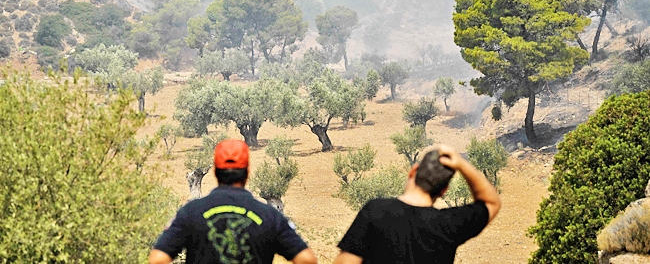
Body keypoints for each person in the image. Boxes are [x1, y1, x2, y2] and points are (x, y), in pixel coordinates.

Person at [149, 139, 318, 264]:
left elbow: (157, 259)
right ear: (248, 171)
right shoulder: (269, 216)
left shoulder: (191, 212)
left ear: (215, 171)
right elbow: (307, 260)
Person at [333, 144, 501, 264]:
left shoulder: (376, 211)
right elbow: (491, 202)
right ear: (444, 191)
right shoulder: (448, 225)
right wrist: (461, 163)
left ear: (413, 171)